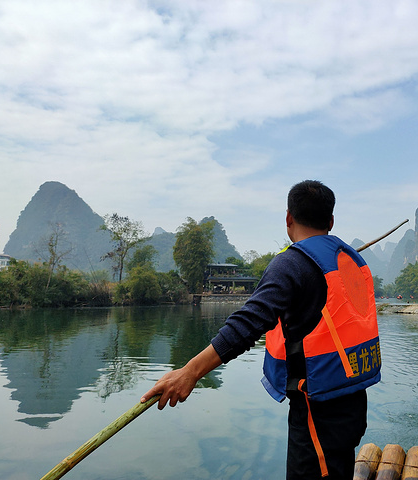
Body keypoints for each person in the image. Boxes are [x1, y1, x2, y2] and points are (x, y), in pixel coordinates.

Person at [141, 180, 381, 480]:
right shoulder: (348, 260)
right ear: (331, 221)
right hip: (353, 399)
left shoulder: (291, 264)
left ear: (288, 219)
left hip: (318, 409)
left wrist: (189, 372)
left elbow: (246, 324)